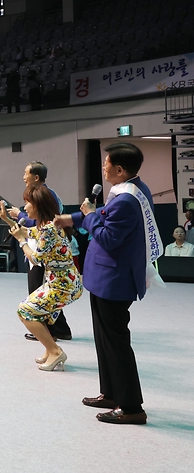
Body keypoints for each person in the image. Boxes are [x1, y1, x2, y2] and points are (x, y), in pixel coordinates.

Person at [55, 142, 159, 425]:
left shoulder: (126, 199)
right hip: (106, 279)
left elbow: (108, 236)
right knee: (104, 340)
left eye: (107, 163)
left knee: (116, 343)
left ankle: (131, 407)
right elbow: (103, 217)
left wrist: (86, 218)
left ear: (120, 170)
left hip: (114, 280)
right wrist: (74, 218)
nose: (103, 167)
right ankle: (111, 393)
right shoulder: (131, 190)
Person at [7, 186, 82, 372]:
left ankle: (55, 351)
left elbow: (35, 258)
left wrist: (21, 242)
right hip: (64, 282)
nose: (24, 207)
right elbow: (28, 231)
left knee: (24, 311)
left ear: (38, 206)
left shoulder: (49, 229)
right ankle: (51, 350)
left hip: (62, 286)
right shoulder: (48, 226)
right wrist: (7, 220)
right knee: (39, 312)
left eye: (27, 203)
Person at [4, 161, 71, 342]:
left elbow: (39, 228)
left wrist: (19, 219)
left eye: (26, 173)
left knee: (37, 297)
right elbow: (30, 229)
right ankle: (59, 329)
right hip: (52, 265)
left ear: (36, 177)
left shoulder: (46, 200)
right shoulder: (42, 199)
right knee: (41, 295)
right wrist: (10, 220)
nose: (23, 177)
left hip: (50, 264)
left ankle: (50, 335)